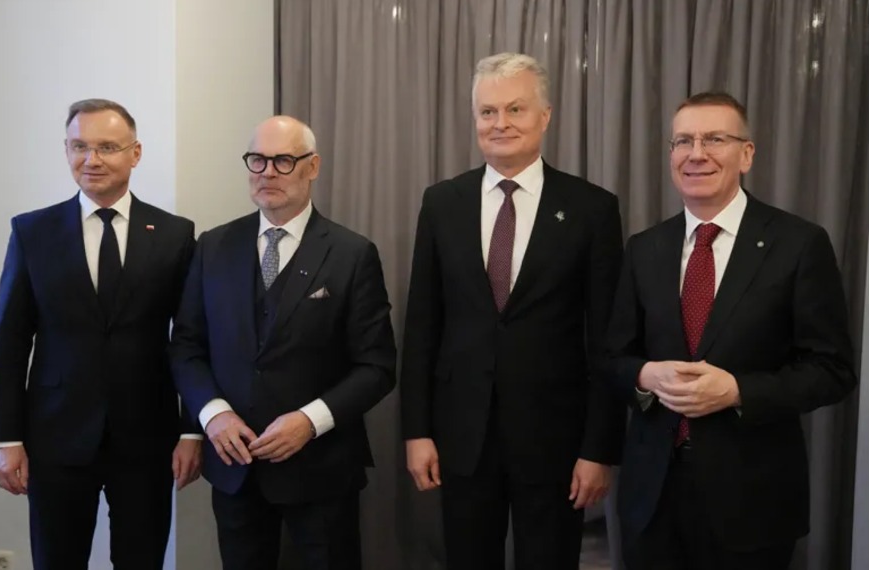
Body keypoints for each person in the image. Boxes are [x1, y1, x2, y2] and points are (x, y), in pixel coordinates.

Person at [604, 91, 856, 570]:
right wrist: (646, 375)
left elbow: (833, 370)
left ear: (747, 154)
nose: (696, 153)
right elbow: (613, 358)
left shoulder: (798, 244)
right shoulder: (644, 248)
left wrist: (738, 390)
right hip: (652, 499)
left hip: (753, 501)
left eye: (714, 139)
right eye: (683, 141)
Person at [400, 52, 626, 570]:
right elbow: (422, 326)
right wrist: (417, 431)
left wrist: (599, 449)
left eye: (515, 109)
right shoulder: (442, 203)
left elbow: (607, 342)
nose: (500, 123)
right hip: (462, 439)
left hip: (556, 442)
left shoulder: (592, 208)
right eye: (488, 111)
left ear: (545, 116)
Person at [170, 115, 396, 570]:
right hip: (235, 465)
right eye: (257, 160)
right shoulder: (213, 246)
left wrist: (310, 421)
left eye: (283, 161)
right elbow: (187, 346)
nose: (267, 172)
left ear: (313, 167)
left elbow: (377, 366)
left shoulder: (352, 254)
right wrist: (213, 415)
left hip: (322, 468)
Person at [0, 98, 202, 570]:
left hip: (147, 435)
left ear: (135, 153)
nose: (91, 159)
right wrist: (5, 439)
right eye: (79, 146)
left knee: (141, 560)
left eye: (107, 147)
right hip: (55, 436)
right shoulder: (32, 231)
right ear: (66, 150)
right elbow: (11, 341)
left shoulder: (174, 234)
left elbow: (190, 340)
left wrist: (191, 430)